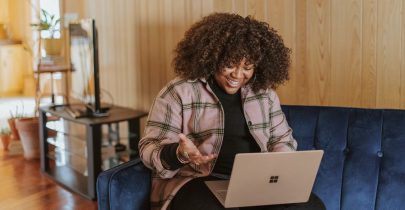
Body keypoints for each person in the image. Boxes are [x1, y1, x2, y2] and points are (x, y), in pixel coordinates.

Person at [139, 13, 326, 210]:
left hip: (255, 183)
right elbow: (148, 148)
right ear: (213, 58)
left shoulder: (265, 95)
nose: (237, 75)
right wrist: (179, 154)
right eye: (229, 65)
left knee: (312, 206)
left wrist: (280, 167)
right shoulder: (179, 92)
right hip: (196, 180)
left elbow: (282, 140)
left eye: (247, 67)